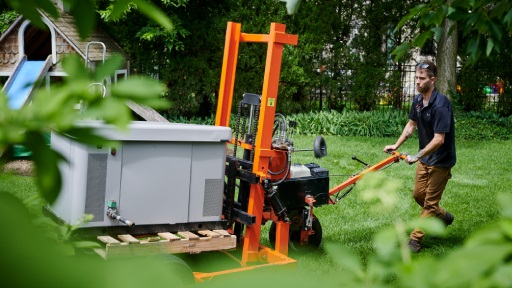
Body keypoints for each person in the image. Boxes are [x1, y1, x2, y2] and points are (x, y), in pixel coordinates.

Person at [384, 60, 456, 253]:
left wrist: (416, 155)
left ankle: (414, 240)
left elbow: (439, 139)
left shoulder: (441, 105)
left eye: (421, 78)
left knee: (430, 202)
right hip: (425, 159)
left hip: (440, 161)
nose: (417, 82)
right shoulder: (417, 100)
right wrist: (396, 145)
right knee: (418, 195)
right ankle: (443, 216)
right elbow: (411, 125)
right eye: (416, 77)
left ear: (432, 80)